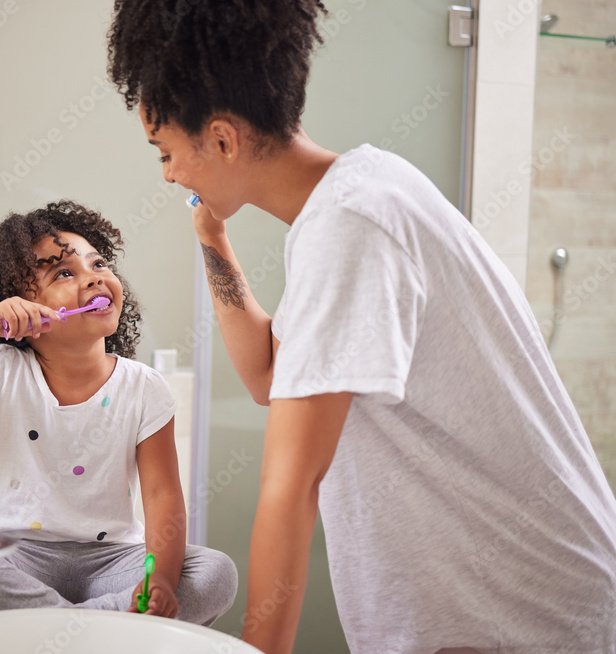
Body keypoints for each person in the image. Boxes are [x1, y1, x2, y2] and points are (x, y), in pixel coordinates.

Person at [106, 1, 616, 653]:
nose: (170, 173)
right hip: (509, 597)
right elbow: (267, 372)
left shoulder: (352, 228)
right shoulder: (357, 197)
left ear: (224, 139)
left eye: (166, 151)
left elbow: (290, 486)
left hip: (516, 612)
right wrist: (212, 235)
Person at [0, 200, 237, 625]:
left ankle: (57, 629)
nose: (93, 277)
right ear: (20, 305)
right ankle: (102, 629)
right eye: (64, 273)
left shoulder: (144, 387)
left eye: (99, 263)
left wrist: (158, 578)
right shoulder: (2, 374)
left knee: (215, 572)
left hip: (112, 561)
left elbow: (164, 498)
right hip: (14, 554)